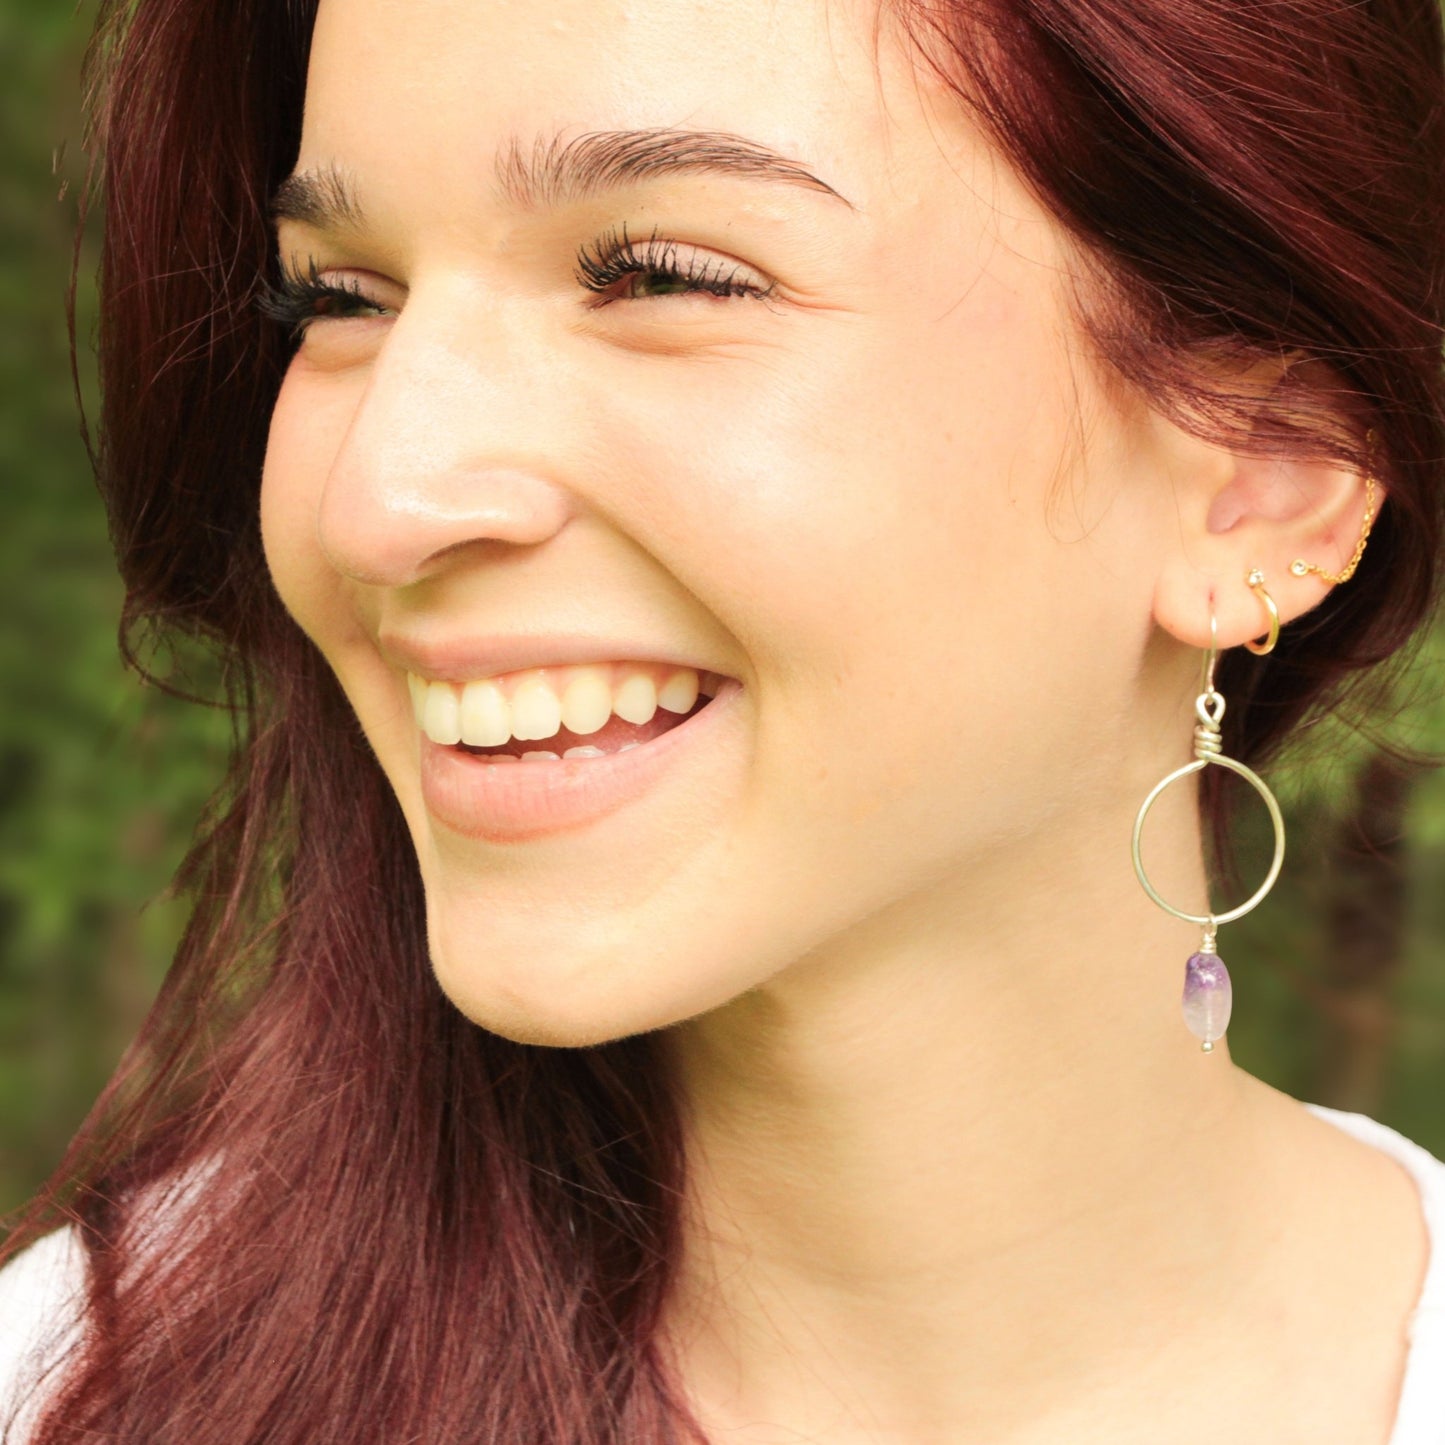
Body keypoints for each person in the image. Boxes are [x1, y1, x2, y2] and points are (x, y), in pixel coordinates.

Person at [3, 0, 1445, 1439]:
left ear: (1265, 473)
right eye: (337, 300)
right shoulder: (76, 1388)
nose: (384, 496)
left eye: (657, 275)